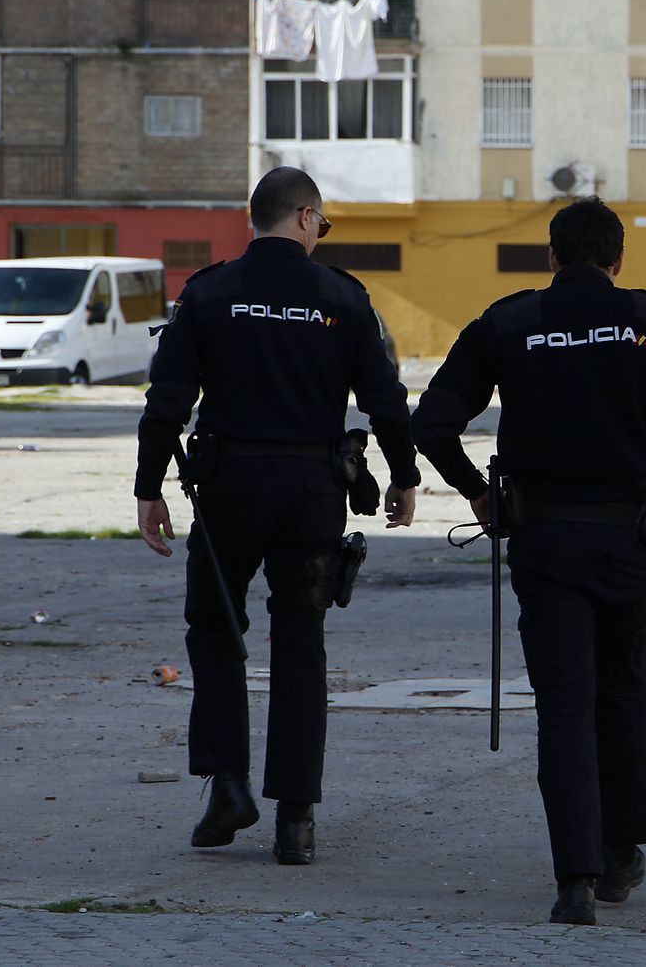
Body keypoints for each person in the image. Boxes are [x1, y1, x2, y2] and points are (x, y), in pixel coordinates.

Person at [410, 196, 646, 926]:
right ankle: (623, 851)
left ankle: (576, 880)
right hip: (631, 539)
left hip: (546, 540)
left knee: (565, 708)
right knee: (624, 694)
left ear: (552, 258)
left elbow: (432, 422)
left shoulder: (508, 321)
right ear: (618, 259)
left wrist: (480, 493)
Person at [134, 166, 419, 865]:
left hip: (229, 484)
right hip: (311, 490)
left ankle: (228, 785)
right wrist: (405, 477)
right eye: (320, 224)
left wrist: (149, 487)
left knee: (216, 629)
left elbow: (167, 398)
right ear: (304, 217)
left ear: (253, 218)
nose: (321, 235)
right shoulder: (343, 298)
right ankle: (296, 820)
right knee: (300, 644)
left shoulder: (209, 293)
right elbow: (386, 397)